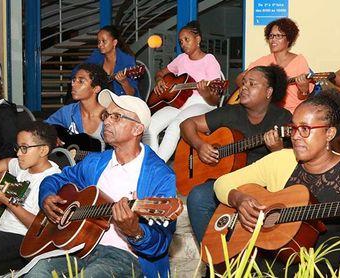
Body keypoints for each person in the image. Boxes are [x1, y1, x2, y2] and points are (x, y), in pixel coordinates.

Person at [211, 89, 340, 276]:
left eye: (305, 129)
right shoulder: (280, 160)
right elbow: (221, 183)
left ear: (329, 133)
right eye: (294, 128)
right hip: (274, 266)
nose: (296, 136)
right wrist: (238, 199)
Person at [26, 89, 176, 278]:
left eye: (116, 116)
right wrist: (47, 195)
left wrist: (135, 232)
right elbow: (56, 179)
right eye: (106, 115)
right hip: (80, 247)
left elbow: (160, 243)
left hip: (126, 257)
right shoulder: (95, 162)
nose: (106, 121)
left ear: (137, 129)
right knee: (36, 273)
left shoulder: (160, 175)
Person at [183, 65, 292, 243]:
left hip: (261, 185)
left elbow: (288, 166)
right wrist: (200, 145)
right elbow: (187, 124)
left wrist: (277, 151)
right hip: (226, 181)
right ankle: (214, 257)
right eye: (243, 83)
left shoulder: (283, 119)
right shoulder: (230, 112)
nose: (244, 87)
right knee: (198, 197)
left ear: (268, 92)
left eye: (252, 84)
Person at [0, 121, 61, 277]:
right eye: (18, 148)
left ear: (43, 150)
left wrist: (7, 201)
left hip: (21, 238)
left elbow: (39, 227)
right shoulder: (24, 165)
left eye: (24, 148)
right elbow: (5, 163)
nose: (19, 153)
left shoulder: (53, 180)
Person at [143, 21, 222, 162]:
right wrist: (160, 80)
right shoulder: (181, 59)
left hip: (202, 102)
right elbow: (161, 73)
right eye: (181, 41)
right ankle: (151, 162)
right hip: (179, 102)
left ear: (197, 40)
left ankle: (157, 168)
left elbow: (215, 101)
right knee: (150, 126)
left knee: (176, 126)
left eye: (187, 39)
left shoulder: (209, 60)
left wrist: (205, 93)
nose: (183, 44)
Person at [235, 17, 313, 113]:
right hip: (267, 112)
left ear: (288, 39)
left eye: (278, 36)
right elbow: (240, 78)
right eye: (271, 36)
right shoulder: (264, 61)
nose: (273, 40)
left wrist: (303, 89)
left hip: (292, 112)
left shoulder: (299, 61)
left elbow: (303, 98)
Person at [45, 63, 109, 151]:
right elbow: (42, 128)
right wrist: (52, 137)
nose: (73, 84)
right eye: (73, 80)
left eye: (81, 81)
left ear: (96, 89)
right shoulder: (67, 111)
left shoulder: (110, 115)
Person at [75, 25, 138, 96]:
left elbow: (132, 94)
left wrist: (124, 82)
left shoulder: (127, 60)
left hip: (121, 102)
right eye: (99, 42)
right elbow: (79, 69)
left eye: (104, 41)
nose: (100, 45)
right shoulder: (97, 55)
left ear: (114, 42)